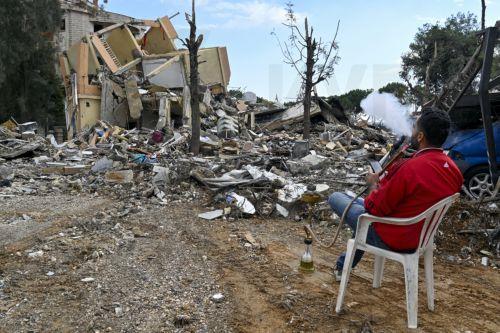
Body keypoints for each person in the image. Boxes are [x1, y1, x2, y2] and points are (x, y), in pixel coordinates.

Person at [329, 107, 463, 280]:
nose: (411, 130)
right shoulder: (454, 170)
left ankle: (342, 267)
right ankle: (342, 266)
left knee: (338, 199)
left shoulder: (411, 168)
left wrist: (372, 185)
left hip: (394, 237)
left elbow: (375, 209)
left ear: (421, 136)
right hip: (421, 236)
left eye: (414, 127)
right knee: (361, 214)